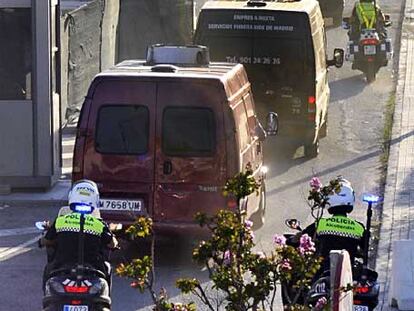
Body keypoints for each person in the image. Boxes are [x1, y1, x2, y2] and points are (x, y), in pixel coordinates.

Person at [40, 179, 117, 288]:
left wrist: (42, 240)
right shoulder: (99, 224)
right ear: (95, 198)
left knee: (48, 269)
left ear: (72, 196)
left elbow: (46, 240)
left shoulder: (61, 221)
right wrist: (111, 232)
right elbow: (112, 244)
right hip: (93, 270)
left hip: (62, 268)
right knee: (107, 268)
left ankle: (47, 296)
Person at [302, 178, 367, 273]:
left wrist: (290, 240)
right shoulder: (359, 227)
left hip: (322, 273)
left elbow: (303, 238)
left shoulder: (320, 224)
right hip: (347, 275)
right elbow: (367, 248)